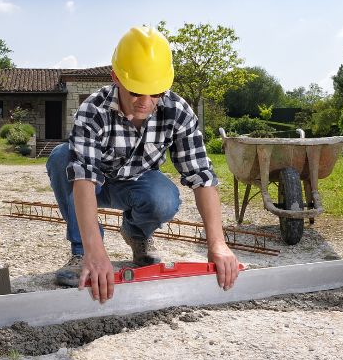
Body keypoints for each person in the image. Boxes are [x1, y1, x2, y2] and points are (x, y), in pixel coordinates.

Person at [46, 25, 240, 303]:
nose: (146, 103)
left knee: (164, 197)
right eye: (136, 92)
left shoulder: (178, 112)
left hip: (138, 183)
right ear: (116, 78)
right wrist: (96, 250)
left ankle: (137, 235)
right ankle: (81, 251)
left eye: (156, 92)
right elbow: (84, 179)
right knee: (61, 157)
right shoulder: (93, 109)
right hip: (95, 184)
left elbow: (202, 175)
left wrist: (218, 244)